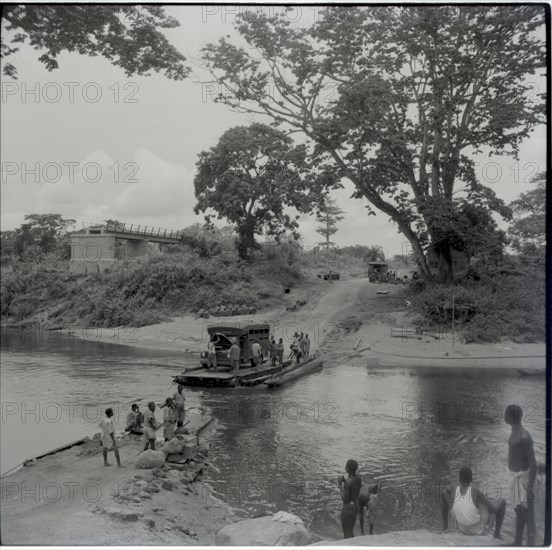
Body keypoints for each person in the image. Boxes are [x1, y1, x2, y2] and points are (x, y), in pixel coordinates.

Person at [441, 466, 505, 538]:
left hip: (461, 528)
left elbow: (444, 492)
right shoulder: (475, 491)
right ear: (471, 479)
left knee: (444, 493)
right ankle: (496, 534)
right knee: (502, 502)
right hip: (477, 531)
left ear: (459, 479)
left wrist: (452, 506)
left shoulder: (453, 489)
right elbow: (493, 509)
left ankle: (445, 527)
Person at [505, 404, 537, 545]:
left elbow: (533, 463)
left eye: (505, 414)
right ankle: (517, 541)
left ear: (511, 417)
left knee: (528, 513)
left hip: (523, 478)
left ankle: (532, 544)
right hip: (515, 477)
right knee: (518, 510)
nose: (504, 416)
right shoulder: (514, 431)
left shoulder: (524, 436)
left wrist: (530, 485)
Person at [340, 459, 362, 539]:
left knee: (346, 534)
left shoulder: (348, 483)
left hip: (347, 508)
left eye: (346, 466)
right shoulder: (358, 479)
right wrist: (345, 481)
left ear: (347, 469)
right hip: (355, 507)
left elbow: (345, 498)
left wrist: (340, 485)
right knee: (351, 531)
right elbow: (352, 485)